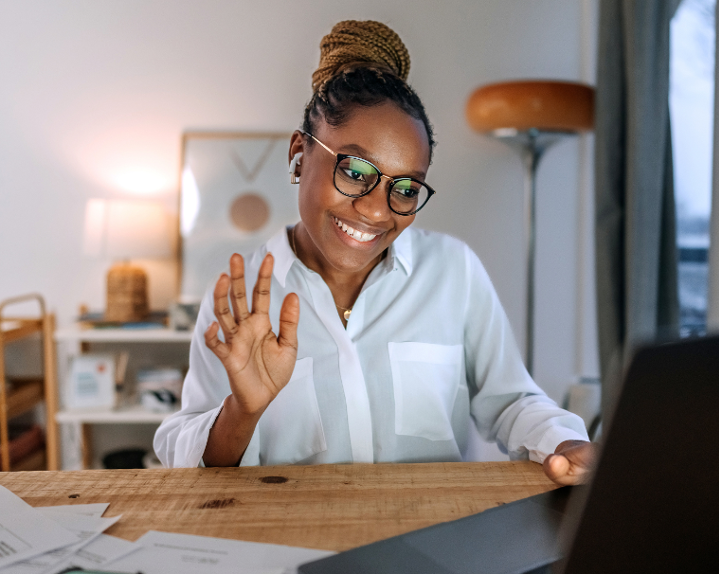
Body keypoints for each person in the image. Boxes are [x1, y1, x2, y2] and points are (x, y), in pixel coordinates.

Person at [154, 20, 595, 485]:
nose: (374, 210)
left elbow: (511, 402)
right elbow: (183, 454)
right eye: (356, 170)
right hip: (292, 542)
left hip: (430, 542)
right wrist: (242, 412)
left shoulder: (453, 271)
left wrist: (565, 443)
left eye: (405, 188)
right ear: (300, 153)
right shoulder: (239, 298)